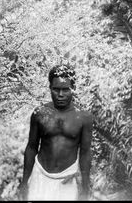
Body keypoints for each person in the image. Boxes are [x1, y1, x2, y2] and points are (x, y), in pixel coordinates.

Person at [18, 64, 93, 200]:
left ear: (73, 89)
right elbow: (31, 147)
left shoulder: (84, 117)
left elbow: (85, 153)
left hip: (67, 178)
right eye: (56, 89)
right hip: (40, 175)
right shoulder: (40, 113)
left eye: (65, 89)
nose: (60, 95)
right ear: (49, 88)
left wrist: (85, 187)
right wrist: (24, 182)